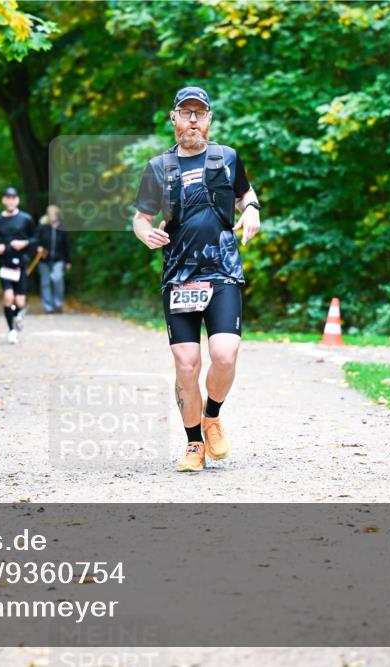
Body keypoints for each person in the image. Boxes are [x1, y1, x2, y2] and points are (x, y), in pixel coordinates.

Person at [132, 85, 262, 472]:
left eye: (199, 113)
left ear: (209, 119)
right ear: (173, 118)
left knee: (225, 353)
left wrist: (252, 208)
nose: (192, 120)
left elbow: (246, 194)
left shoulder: (227, 158)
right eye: (185, 113)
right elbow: (142, 218)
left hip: (222, 270)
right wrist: (147, 235)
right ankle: (193, 444)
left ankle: (212, 416)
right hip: (179, 277)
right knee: (186, 365)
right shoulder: (159, 167)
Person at [0, 186, 38, 344]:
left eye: (13, 198)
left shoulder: (26, 219)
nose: (10, 201)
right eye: (7, 198)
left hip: (21, 264)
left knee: (20, 302)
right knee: (8, 298)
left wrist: (24, 243)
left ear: (17, 200)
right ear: (4, 200)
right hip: (5, 264)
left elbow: (35, 239)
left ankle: (18, 315)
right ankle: (11, 331)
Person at [35, 204, 71, 313]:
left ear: (57, 215)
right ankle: (48, 307)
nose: (52, 217)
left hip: (58, 260)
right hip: (44, 260)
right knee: (45, 282)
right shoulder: (42, 227)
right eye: (50, 214)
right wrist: (38, 247)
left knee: (57, 279)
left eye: (54, 215)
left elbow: (66, 245)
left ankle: (58, 303)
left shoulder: (62, 228)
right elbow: (36, 240)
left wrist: (68, 261)